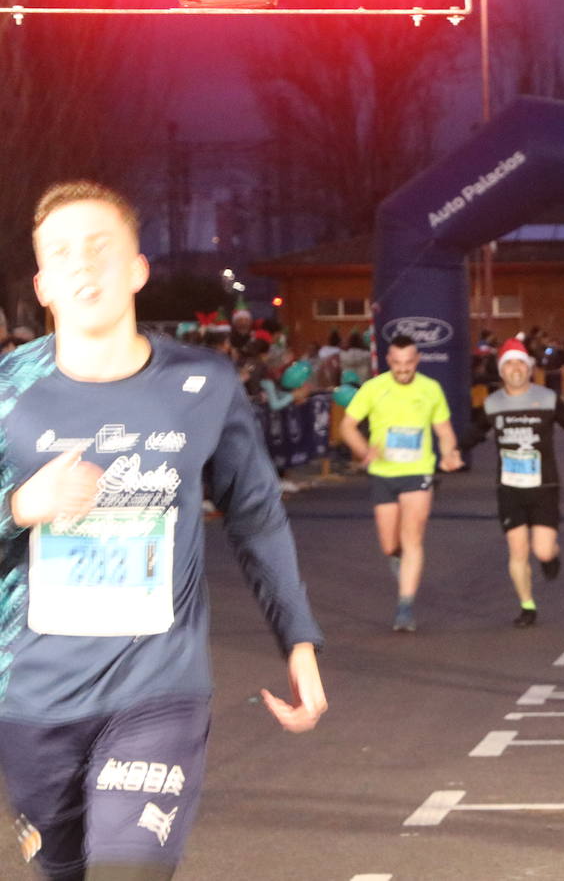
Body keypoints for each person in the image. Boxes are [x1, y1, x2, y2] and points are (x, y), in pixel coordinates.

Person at [0, 180, 326, 880]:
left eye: (100, 248)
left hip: (159, 688)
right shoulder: (8, 396)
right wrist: (21, 506)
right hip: (32, 694)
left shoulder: (203, 384)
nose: (83, 266)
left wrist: (297, 639)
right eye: (63, 254)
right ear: (44, 284)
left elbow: (256, 511)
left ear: (138, 269)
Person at [462, 338, 564, 627]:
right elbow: (475, 433)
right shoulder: (492, 403)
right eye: (509, 364)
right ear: (501, 372)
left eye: (520, 363)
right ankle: (527, 606)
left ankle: (551, 555)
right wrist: (453, 452)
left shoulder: (547, 399)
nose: (515, 369)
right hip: (509, 487)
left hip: (544, 485)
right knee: (517, 549)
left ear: (529, 369)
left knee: (541, 549)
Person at [340, 334, 463, 632]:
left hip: (418, 471)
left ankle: (405, 607)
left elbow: (444, 431)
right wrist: (363, 450)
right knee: (389, 545)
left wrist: (448, 454)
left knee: (412, 540)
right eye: (397, 364)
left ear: (417, 360)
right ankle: (400, 563)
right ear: (389, 362)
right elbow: (347, 426)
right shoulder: (374, 388)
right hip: (383, 474)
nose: (403, 369)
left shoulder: (430, 389)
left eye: (409, 363)